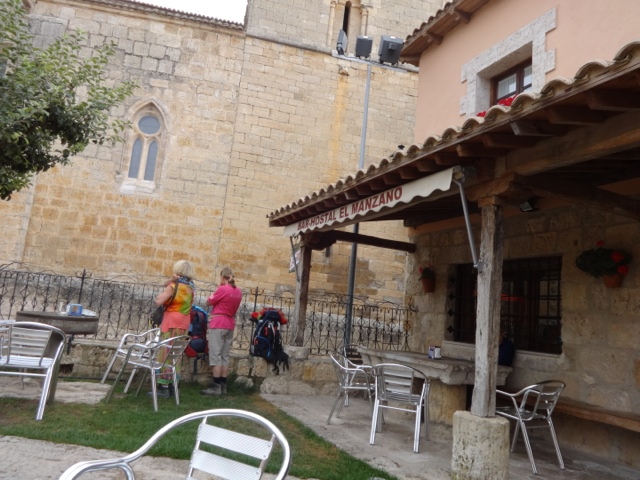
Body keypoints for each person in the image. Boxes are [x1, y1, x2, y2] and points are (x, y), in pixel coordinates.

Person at [153, 259, 195, 398]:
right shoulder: (190, 288)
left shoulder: (173, 286)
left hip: (171, 321)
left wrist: (167, 288)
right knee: (176, 354)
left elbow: (158, 301)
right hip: (184, 323)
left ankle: (163, 385)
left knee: (165, 353)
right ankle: (173, 384)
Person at [201, 267, 242, 396]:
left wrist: (218, 288)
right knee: (225, 355)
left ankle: (216, 386)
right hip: (230, 323)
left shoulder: (222, 289)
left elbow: (208, 302)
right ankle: (224, 385)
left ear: (222, 276)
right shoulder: (238, 292)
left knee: (216, 354)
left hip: (218, 323)